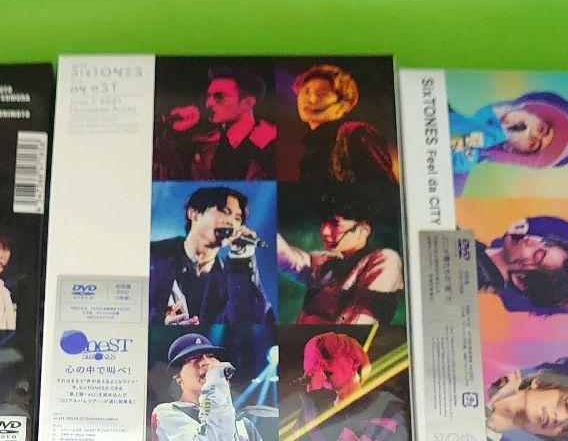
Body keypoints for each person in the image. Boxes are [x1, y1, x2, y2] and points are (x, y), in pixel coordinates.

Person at [284, 330, 412, 441]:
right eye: (314, 363)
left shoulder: (389, 409)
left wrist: (312, 402)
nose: (322, 365)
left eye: (327, 355)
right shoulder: (304, 420)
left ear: (353, 361)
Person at [151, 332, 276, 441]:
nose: (206, 363)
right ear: (178, 377)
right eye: (194, 358)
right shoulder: (166, 414)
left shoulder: (244, 425)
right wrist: (215, 381)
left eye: (210, 356)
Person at [149, 185, 273, 327]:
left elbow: (253, 319)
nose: (231, 222)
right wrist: (160, 324)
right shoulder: (152, 255)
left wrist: (242, 259)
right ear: (194, 213)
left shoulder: (231, 278)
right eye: (224, 212)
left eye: (238, 218)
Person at [277, 189, 403, 324]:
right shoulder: (329, 262)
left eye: (335, 224)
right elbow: (288, 259)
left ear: (363, 230)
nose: (324, 231)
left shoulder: (385, 260)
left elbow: (362, 320)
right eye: (323, 223)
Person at [154, 64, 276, 180]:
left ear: (247, 103)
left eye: (219, 96)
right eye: (209, 96)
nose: (208, 104)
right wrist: (173, 129)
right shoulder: (203, 143)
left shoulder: (271, 146)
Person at [450, 91, 568, 192]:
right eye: (541, 128)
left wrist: (496, 134)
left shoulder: (458, 173)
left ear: (511, 150)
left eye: (533, 144)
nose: (530, 132)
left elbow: (450, 143)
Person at [290, 63, 396, 182]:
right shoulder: (312, 150)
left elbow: (381, 187)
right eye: (306, 92)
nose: (311, 99)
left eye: (322, 94)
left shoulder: (356, 134)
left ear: (343, 106)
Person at [476, 216, 568, 315]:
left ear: (521, 279)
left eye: (538, 255)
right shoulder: (477, 253)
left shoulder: (475, 273)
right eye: (544, 242)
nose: (532, 240)